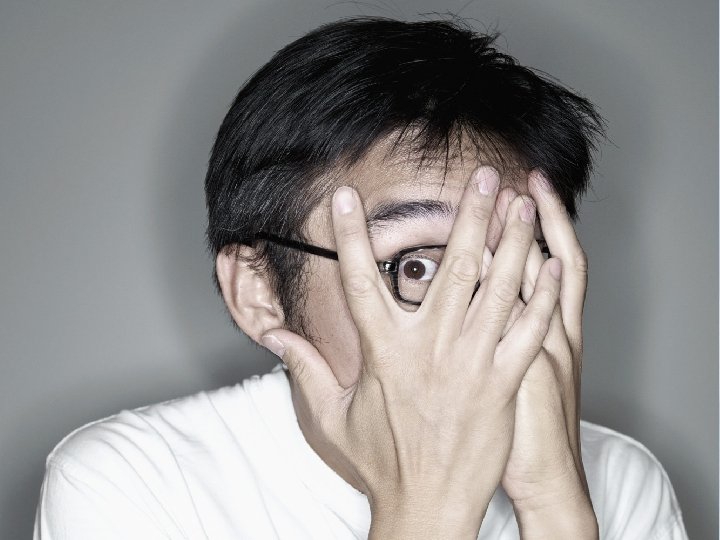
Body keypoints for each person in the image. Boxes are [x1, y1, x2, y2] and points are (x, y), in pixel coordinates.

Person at [33, 17, 688, 539]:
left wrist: (555, 510)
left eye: (520, 262)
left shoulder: (616, 479)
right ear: (258, 291)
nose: (489, 315)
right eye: (418, 266)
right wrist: (429, 507)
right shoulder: (133, 481)